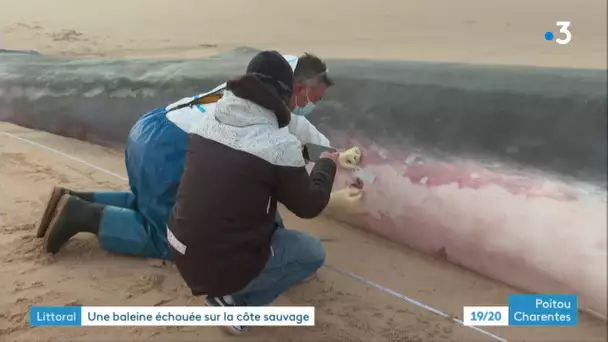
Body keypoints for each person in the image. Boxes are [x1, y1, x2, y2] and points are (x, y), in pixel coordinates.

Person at [39, 52, 363, 259]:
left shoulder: (246, 90)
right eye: (313, 98)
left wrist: (336, 153)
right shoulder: (265, 113)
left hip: (150, 130)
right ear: (298, 88)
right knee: (177, 238)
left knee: (158, 203)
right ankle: (84, 216)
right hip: (170, 148)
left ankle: (73, 197)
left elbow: (297, 129)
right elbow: (286, 173)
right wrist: (332, 198)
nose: (312, 105)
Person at [168, 50, 344, 335]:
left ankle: (242, 277)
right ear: (286, 92)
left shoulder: (207, 122)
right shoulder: (277, 145)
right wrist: (327, 165)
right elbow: (310, 205)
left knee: (262, 208)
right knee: (311, 251)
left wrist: (314, 153)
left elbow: (259, 149)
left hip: (178, 244)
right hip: (216, 265)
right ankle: (234, 302)